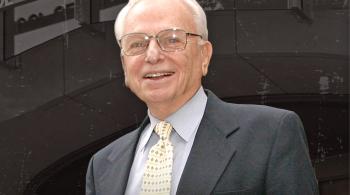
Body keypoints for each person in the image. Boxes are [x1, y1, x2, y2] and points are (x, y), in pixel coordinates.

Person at [85, 0, 319, 194]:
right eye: (137, 44)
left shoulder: (271, 134)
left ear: (204, 56)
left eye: (172, 39)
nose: (153, 55)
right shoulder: (103, 165)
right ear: (125, 65)